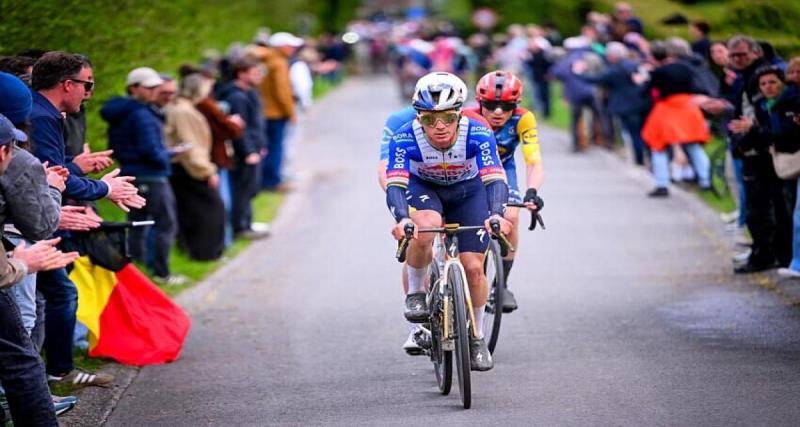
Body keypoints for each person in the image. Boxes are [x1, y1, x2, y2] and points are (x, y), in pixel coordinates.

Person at [30, 52, 143, 387]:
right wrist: (105, 188)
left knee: (49, 296)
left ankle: (46, 373)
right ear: (68, 84)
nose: (89, 93)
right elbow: (51, 176)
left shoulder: (44, 113)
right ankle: (48, 375)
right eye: (87, 84)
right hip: (30, 220)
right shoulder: (43, 116)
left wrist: (79, 169)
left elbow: (55, 169)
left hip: (40, 214)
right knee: (49, 299)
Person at [385, 72, 511, 371]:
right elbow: (396, 186)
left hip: (469, 191)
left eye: (447, 118)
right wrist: (403, 219)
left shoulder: (478, 131)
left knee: (473, 267)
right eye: (429, 120)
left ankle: (477, 337)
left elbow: (494, 177)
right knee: (424, 227)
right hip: (425, 189)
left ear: (459, 114)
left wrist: (496, 213)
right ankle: (416, 293)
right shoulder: (404, 137)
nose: (439, 127)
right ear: (419, 117)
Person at [0, 112, 79, 426]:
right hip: (16, 256)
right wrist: (23, 263)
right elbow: (42, 226)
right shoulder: (22, 164)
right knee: (22, 360)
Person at [463, 70, 544, 312]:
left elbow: (533, 160)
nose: (498, 112)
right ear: (480, 102)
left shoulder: (523, 119)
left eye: (506, 106)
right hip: (469, 169)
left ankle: (502, 285)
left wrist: (531, 191)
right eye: (490, 105)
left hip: (502, 168)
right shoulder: (466, 116)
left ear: (515, 106)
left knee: (511, 217)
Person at [100, 66, 183, 285]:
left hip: (132, 173)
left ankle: (137, 274)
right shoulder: (141, 114)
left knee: (137, 225)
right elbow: (151, 150)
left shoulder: (124, 111)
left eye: (157, 87)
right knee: (164, 223)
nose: (155, 91)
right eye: (150, 87)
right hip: (152, 176)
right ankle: (161, 273)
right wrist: (170, 154)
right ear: (134, 88)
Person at [728, 66, 795, 273]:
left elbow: (782, 134)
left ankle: (783, 257)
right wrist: (745, 141)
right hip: (763, 160)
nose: (768, 87)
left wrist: (755, 131)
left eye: (773, 82)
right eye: (763, 84)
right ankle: (767, 254)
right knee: (758, 210)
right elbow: (760, 134)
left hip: (785, 163)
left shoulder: (788, 103)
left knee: (784, 211)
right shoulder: (762, 105)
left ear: (782, 83)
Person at [164, 73, 225, 260]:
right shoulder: (184, 111)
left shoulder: (180, 108)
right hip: (189, 168)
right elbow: (191, 145)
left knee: (190, 210)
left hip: (182, 167)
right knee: (210, 210)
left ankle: (193, 250)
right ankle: (206, 253)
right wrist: (208, 171)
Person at [217, 55, 268, 238]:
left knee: (250, 189)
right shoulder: (236, 96)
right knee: (242, 190)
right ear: (241, 74)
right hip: (245, 153)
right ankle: (240, 227)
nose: (259, 76)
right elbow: (239, 128)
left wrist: (261, 145)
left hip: (255, 148)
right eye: (255, 73)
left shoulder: (249, 93)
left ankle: (247, 223)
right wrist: (248, 151)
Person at [259, 32, 303, 191]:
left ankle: (267, 178)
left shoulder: (267, 61)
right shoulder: (279, 63)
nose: (292, 49)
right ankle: (273, 181)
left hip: (266, 111)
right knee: (276, 147)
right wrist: (291, 112)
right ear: (281, 46)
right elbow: (282, 91)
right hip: (277, 113)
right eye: (290, 45)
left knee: (269, 146)